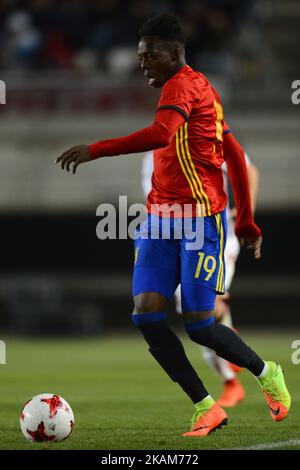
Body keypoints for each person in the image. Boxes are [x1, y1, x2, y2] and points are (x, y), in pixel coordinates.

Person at [56, 14, 291, 437]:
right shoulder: (195, 89)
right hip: (158, 222)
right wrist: (249, 219)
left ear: (176, 53)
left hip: (200, 222)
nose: (142, 63)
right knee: (146, 315)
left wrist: (96, 149)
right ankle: (206, 407)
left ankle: (265, 370)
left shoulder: (185, 85)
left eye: (150, 56)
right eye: (140, 56)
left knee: (200, 325)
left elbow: (164, 135)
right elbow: (233, 153)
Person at [141, 149, 260, 408]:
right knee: (191, 314)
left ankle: (230, 352)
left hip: (216, 237)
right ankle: (230, 379)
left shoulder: (207, 140)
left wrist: (242, 212)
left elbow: (249, 171)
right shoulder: (152, 156)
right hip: (177, 242)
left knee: (206, 309)